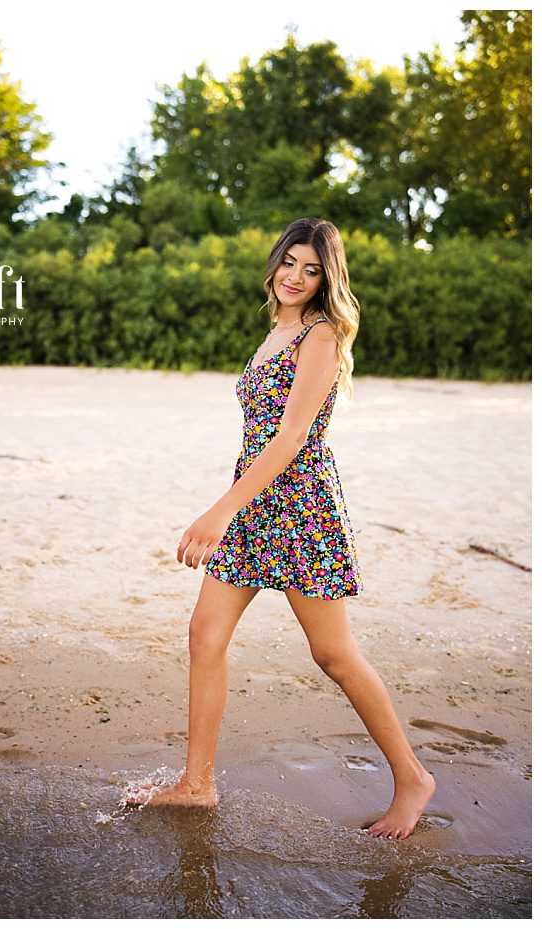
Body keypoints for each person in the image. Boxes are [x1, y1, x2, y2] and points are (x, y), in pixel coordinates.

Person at [142, 218, 435, 839]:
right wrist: (236, 505)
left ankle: (412, 777)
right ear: (274, 264)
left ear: (328, 279)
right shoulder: (276, 329)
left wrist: (219, 509)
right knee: (205, 635)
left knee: (332, 653)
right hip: (255, 500)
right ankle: (197, 785)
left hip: (300, 504)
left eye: (312, 270)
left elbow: (294, 436)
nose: (297, 277)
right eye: (290, 263)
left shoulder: (321, 334)